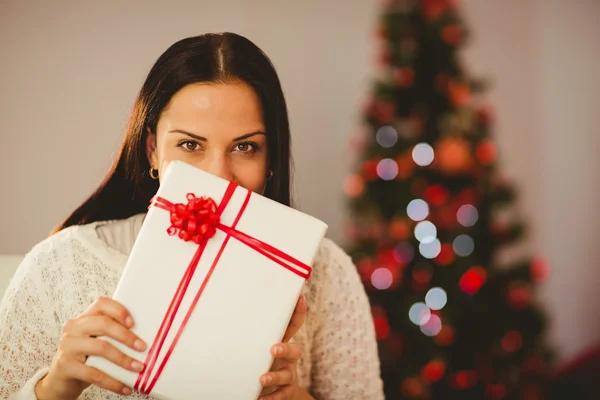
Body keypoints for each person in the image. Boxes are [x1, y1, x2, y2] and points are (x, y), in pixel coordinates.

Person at [0, 32, 384, 400]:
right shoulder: (58, 267)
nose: (217, 176)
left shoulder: (326, 273)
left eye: (246, 147)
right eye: (189, 144)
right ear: (152, 150)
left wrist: (291, 396)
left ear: (271, 160)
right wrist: (54, 388)